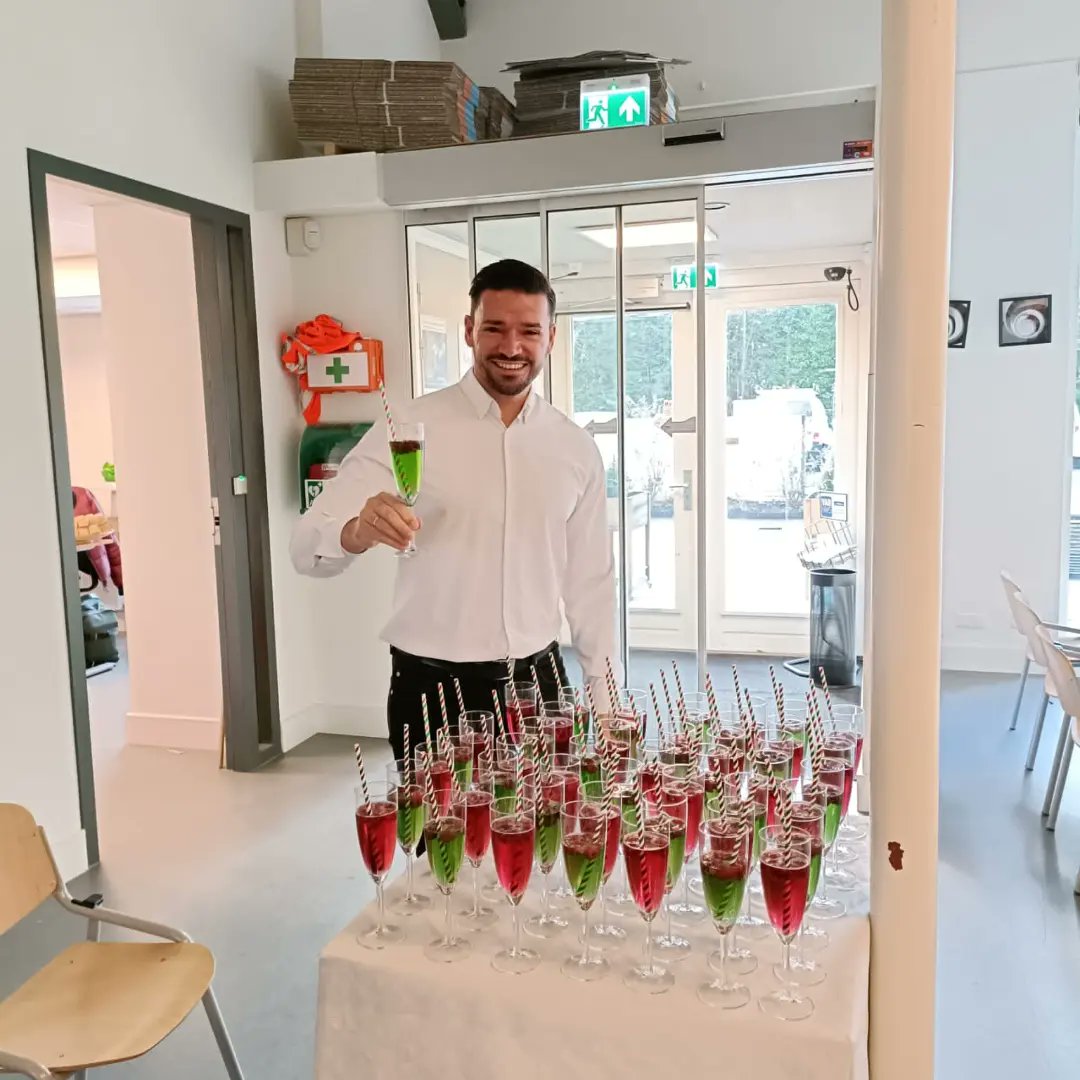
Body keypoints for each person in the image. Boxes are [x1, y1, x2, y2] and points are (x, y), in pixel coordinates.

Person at [290, 259, 617, 766]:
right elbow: (305, 548)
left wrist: (608, 704)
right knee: (437, 844)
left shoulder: (574, 449)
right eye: (494, 328)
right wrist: (356, 531)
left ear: (551, 336)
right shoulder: (408, 430)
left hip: (540, 683)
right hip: (433, 689)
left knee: (538, 842)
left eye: (529, 331)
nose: (512, 347)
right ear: (469, 330)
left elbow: (590, 584)